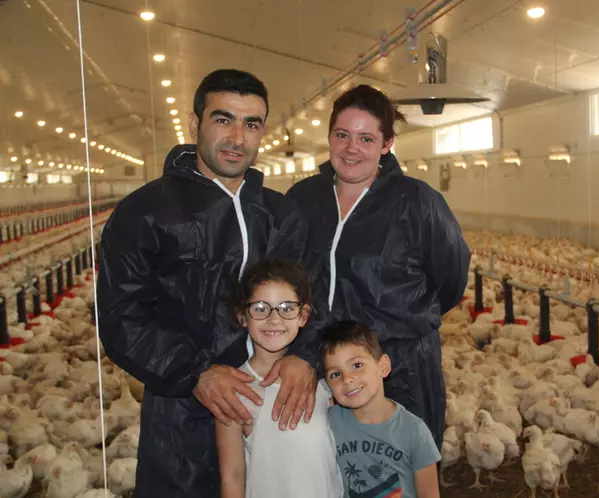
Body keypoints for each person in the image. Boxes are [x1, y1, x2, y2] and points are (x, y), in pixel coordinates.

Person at [96, 69, 322, 498]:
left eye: (251, 124)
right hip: (182, 408)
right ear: (195, 123)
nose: (238, 137)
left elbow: (313, 296)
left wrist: (305, 357)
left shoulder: (282, 215)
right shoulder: (146, 212)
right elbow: (121, 314)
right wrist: (195, 372)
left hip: (274, 400)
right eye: (223, 119)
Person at [285, 84, 471, 450]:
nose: (352, 148)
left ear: (387, 144)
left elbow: (450, 279)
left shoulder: (418, 203)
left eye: (366, 138)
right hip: (325, 363)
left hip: (399, 366)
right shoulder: (302, 200)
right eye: (342, 135)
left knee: (400, 469)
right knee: (337, 468)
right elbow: (288, 279)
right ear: (330, 137)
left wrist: (399, 324)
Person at [216, 258, 342, 498]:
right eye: (261, 308)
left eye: (286, 308)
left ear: (303, 316)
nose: (274, 319)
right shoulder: (234, 390)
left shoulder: (325, 383)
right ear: (243, 316)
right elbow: (231, 475)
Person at [322, 320, 441, 498]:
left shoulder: (414, 431)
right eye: (335, 374)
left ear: (383, 366)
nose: (347, 379)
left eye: (356, 365)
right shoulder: (329, 422)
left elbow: (428, 494)